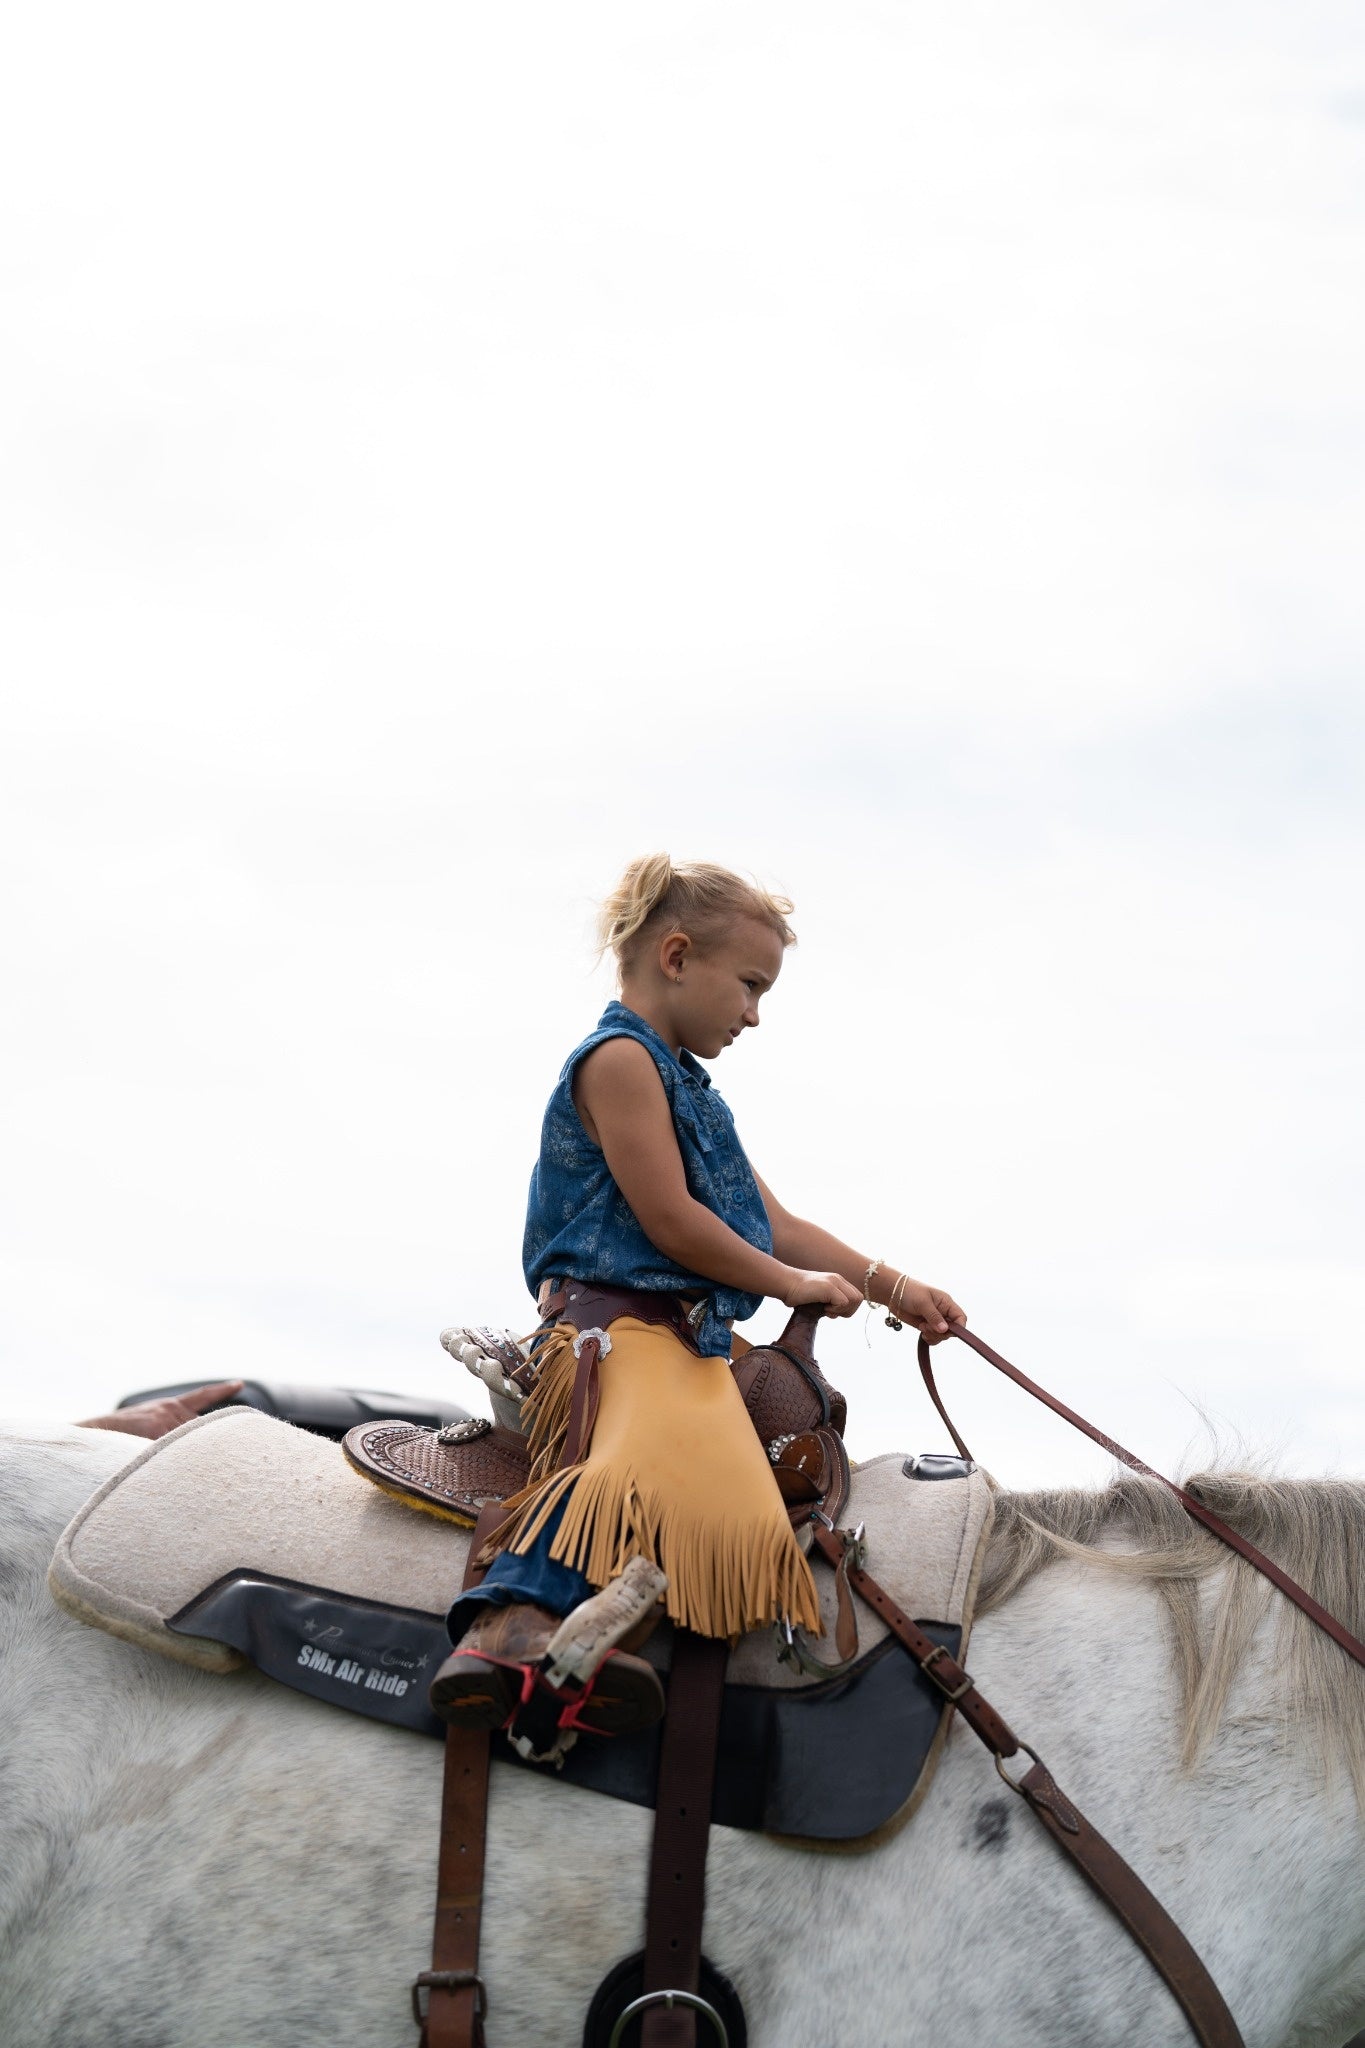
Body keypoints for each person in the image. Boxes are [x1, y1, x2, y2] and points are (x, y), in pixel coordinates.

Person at [424, 855, 966, 1747]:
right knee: (640, 1466)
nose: (754, 1013)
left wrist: (894, 1288)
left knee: (742, 1523)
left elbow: (773, 1223)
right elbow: (672, 1223)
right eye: (749, 985)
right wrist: (787, 1287)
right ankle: (507, 1627)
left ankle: (597, 1644)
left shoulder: (694, 1094)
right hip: (610, 1328)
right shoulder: (619, 1061)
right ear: (676, 955)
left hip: (687, 1341)